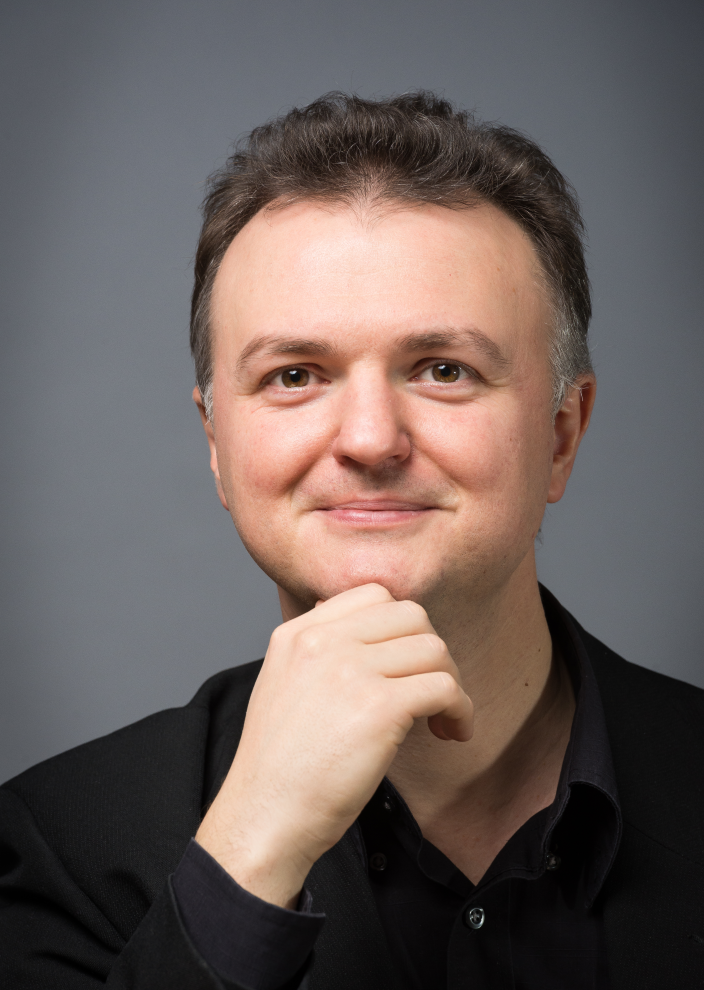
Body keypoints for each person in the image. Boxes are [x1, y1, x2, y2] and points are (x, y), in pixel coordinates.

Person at [1, 92, 703, 990]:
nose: (371, 439)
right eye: (295, 375)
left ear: (562, 434)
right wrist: (250, 853)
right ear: (217, 445)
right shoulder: (60, 846)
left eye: (443, 370)